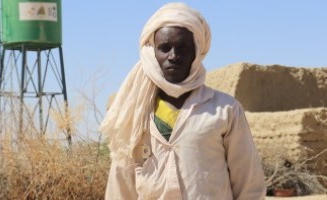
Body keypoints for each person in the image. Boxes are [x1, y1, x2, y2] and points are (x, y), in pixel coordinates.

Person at [100, 2, 266, 200]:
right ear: (152, 53)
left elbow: (249, 186)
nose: (173, 56)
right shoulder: (134, 114)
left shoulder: (225, 110)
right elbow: (120, 189)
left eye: (182, 48)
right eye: (164, 48)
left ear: (196, 52)